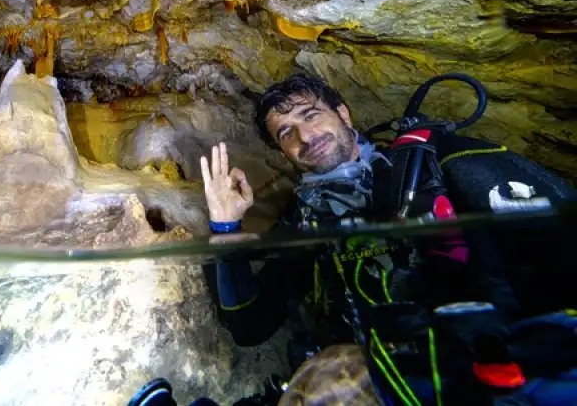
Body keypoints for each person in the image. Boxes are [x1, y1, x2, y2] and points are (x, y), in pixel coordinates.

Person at [200, 73, 577, 405]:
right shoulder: (303, 224)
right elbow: (250, 326)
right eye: (285, 133)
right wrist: (225, 227)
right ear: (283, 152)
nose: (304, 136)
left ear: (344, 114)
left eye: (311, 115)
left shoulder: (436, 167)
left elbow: (560, 246)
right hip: (374, 388)